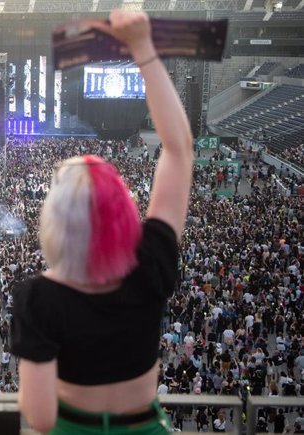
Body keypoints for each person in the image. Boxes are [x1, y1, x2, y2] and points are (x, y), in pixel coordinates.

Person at [11, 10, 193, 435]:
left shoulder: (37, 298)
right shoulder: (150, 262)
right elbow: (179, 149)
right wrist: (143, 48)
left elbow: (39, 416)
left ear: (54, 224)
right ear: (123, 213)